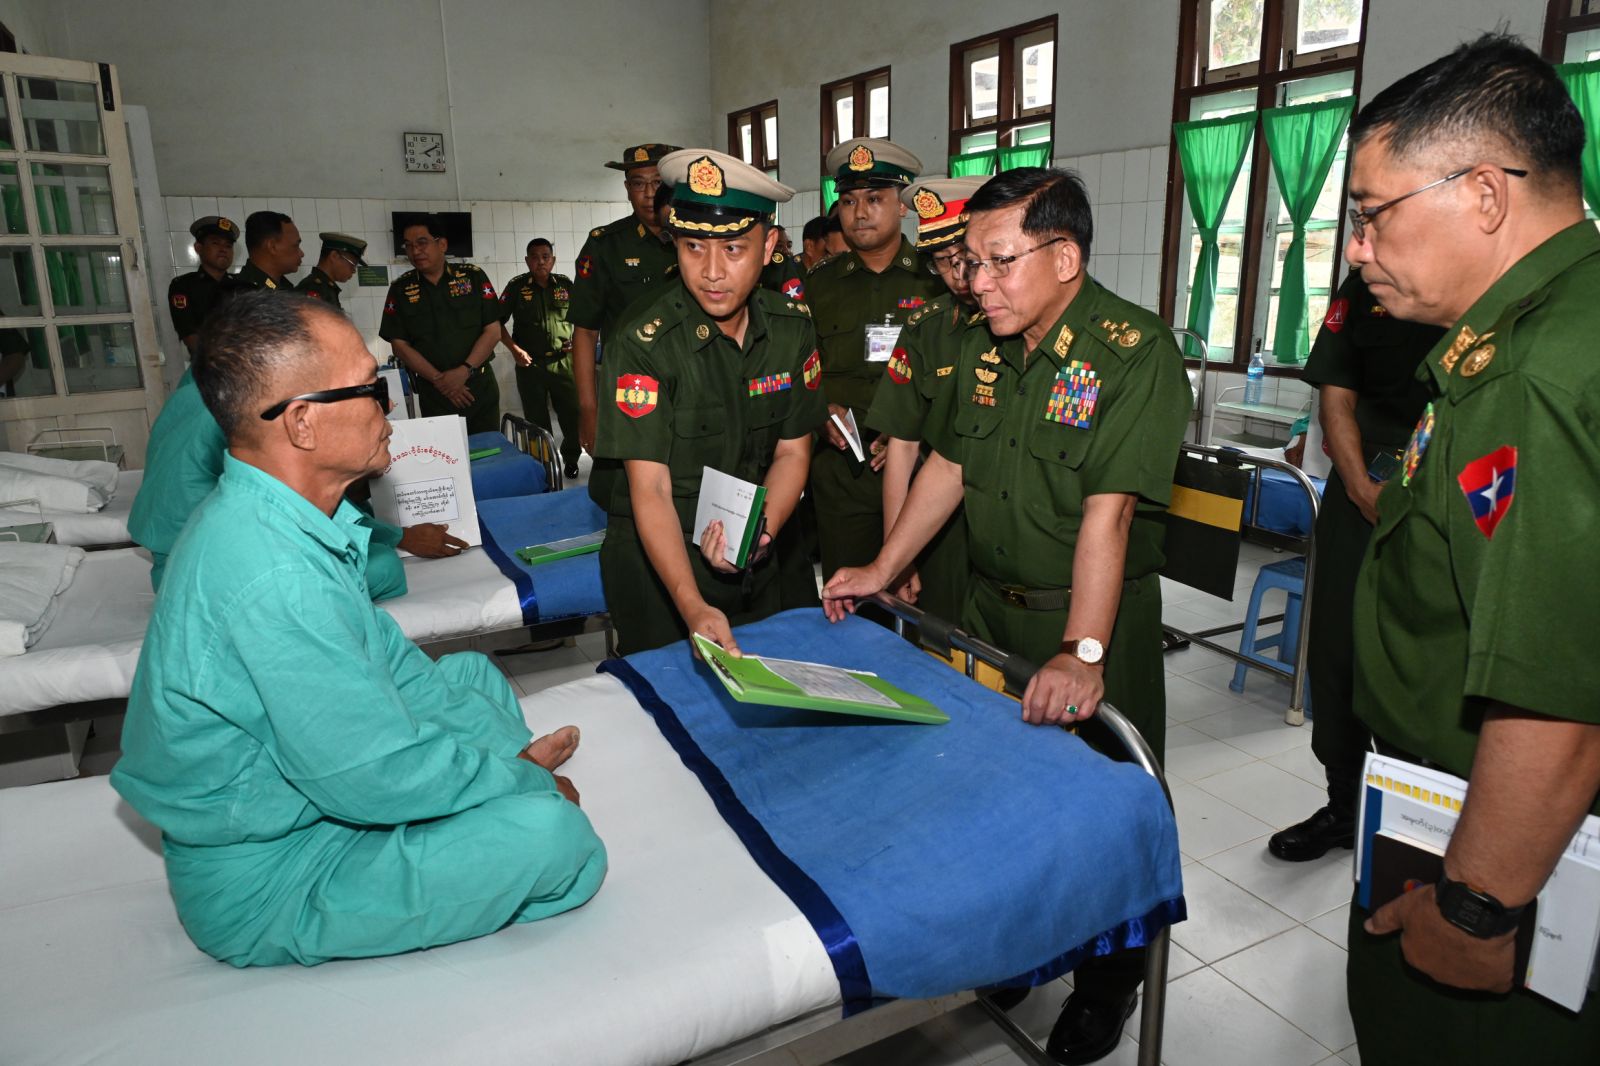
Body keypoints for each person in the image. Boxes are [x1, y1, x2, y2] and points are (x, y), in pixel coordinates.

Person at [111, 291, 605, 968]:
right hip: (280, 874)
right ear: (303, 423)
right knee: (555, 840)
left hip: (320, 801)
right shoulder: (272, 572)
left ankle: (481, 788)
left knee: (467, 673)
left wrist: (499, 770)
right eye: (371, 389)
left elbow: (392, 665)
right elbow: (373, 776)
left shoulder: (283, 517)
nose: (389, 406)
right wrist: (521, 785)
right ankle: (486, 805)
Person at [823, 168, 1190, 1064]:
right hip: (992, 609)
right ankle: (1028, 943)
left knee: (1105, 808)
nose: (975, 281)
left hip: (1089, 621)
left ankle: (1109, 984)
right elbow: (950, 466)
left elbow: (1110, 515)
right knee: (1004, 799)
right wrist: (883, 566)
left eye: (996, 261)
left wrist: (1083, 652)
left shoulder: (1133, 353)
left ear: (1064, 258)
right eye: (971, 262)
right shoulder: (994, 346)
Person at [1340, 34, 1600, 1062]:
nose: (1357, 248)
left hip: (1499, 844)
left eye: (1372, 213)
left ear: (1484, 194)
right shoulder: (1565, 321)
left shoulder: (1526, 377)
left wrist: (1474, 907)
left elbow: (1556, 696)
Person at [593, 148, 825, 655]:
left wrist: (759, 534)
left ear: (768, 247)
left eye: (734, 249)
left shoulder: (791, 329)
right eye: (694, 247)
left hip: (758, 537)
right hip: (662, 558)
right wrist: (691, 603)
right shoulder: (645, 342)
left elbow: (792, 452)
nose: (712, 272)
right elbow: (651, 488)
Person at [1267, 269, 1442, 862]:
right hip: (1357, 483)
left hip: (1445, 492)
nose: (1358, 241)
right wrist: (1360, 485)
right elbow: (1336, 395)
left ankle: (1414, 821)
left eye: (1371, 222)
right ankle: (1345, 806)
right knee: (1336, 650)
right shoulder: (1363, 284)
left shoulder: (1483, 274)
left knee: (1418, 658)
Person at [130, 296, 468, 595]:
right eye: (369, 388)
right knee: (384, 567)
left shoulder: (208, 388)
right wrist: (399, 537)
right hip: (201, 563)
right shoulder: (250, 417)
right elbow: (302, 509)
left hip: (184, 549)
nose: (388, 406)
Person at [804, 137, 944, 579]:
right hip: (842, 472)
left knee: (927, 599)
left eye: (874, 199)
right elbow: (798, 366)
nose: (860, 212)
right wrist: (819, 409)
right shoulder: (818, 285)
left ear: (903, 205)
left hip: (925, 469)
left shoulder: (937, 279)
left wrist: (912, 432)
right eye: (848, 201)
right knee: (849, 597)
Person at [864, 175, 989, 625]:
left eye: (965, 259)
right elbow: (901, 446)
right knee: (940, 643)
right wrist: (898, 556)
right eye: (942, 262)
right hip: (938, 527)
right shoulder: (926, 328)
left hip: (1007, 522)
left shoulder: (1021, 323)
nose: (957, 276)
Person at [569, 142, 681, 456]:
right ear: (627, 189)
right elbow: (585, 332)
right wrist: (588, 408)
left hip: (690, 388)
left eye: (658, 183)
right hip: (629, 392)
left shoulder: (697, 240)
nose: (649, 193)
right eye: (638, 184)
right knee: (624, 479)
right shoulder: (606, 245)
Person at [380, 215, 504, 434]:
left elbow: (493, 331)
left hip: (478, 387)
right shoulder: (400, 289)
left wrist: (463, 371)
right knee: (445, 452)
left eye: (422, 242)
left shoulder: (473, 277)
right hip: (434, 393)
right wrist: (441, 381)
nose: (415, 251)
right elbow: (399, 345)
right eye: (408, 246)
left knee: (487, 450)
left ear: (442, 244)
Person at [499, 238, 581, 480]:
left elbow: (584, 318)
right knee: (536, 419)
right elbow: (495, 323)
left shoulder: (565, 285)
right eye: (534, 257)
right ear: (527, 261)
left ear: (553, 260)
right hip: (530, 364)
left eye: (545, 257)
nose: (540, 262)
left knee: (571, 414)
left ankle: (571, 459)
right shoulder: (516, 287)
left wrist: (576, 341)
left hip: (563, 363)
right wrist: (514, 350)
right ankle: (543, 464)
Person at [168, 215, 238, 354]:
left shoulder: (242, 286)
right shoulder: (184, 286)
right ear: (198, 248)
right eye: (216, 243)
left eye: (228, 246)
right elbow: (190, 335)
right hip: (207, 364)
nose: (223, 249)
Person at [227, 211, 302, 293]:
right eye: (295, 246)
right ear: (272, 247)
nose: (302, 254)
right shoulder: (239, 291)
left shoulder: (283, 288)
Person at [295, 232, 367, 312]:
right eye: (353, 264)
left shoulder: (326, 288)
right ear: (334, 256)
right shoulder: (314, 288)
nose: (354, 270)